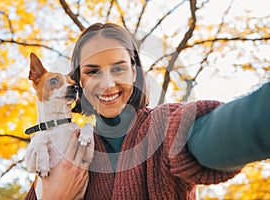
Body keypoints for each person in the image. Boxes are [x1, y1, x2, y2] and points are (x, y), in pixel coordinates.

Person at [24, 22, 270, 199]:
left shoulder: (161, 126)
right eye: (92, 71)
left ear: (135, 72)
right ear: (79, 81)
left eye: (119, 68)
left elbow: (205, 132)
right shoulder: (64, 149)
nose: (107, 84)